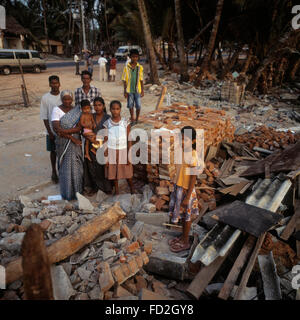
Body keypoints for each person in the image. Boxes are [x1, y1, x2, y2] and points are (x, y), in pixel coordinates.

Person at [168, 126, 200, 253]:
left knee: (187, 217)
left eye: (185, 139)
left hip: (186, 190)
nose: (182, 141)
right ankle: (182, 236)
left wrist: (187, 197)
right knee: (182, 215)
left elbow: (193, 178)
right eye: (181, 138)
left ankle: (186, 241)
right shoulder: (181, 151)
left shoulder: (192, 155)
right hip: (179, 187)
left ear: (192, 141)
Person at [51, 90, 83, 200]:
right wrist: (71, 137)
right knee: (65, 166)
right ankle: (67, 193)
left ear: (72, 99)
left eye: (69, 99)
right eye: (65, 99)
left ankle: (78, 191)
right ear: (61, 99)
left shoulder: (76, 110)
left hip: (75, 142)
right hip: (63, 142)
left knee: (77, 165)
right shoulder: (56, 110)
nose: (67, 101)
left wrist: (65, 131)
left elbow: (79, 128)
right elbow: (56, 128)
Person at [103, 100, 134, 195]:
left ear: (120, 110)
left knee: (127, 171)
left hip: (123, 150)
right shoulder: (107, 123)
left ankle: (132, 189)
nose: (115, 111)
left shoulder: (125, 122)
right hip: (112, 150)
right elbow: (105, 140)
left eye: (117, 109)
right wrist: (106, 156)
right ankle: (117, 191)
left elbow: (129, 139)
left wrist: (129, 154)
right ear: (110, 110)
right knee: (114, 172)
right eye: (113, 109)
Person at [83, 97, 113, 195]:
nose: (97, 107)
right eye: (95, 105)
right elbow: (86, 129)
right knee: (93, 167)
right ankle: (95, 187)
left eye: (99, 105)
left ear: (103, 106)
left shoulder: (108, 118)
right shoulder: (91, 116)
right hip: (92, 144)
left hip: (104, 144)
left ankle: (107, 187)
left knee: (104, 166)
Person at [40, 75, 62, 183]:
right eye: (52, 83)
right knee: (53, 152)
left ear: (59, 84)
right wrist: (50, 132)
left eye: (56, 83)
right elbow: (44, 116)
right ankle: (54, 171)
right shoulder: (45, 98)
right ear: (49, 84)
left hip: (63, 130)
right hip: (51, 131)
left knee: (63, 152)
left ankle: (62, 171)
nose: (54, 85)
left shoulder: (63, 96)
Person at [122, 49, 144, 124]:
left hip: (138, 90)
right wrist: (125, 91)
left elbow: (141, 79)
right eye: (133, 57)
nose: (134, 58)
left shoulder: (140, 67)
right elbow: (124, 80)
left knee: (138, 105)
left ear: (138, 57)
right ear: (130, 57)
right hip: (129, 90)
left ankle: (137, 118)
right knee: (130, 105)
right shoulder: (126, 68)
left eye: (136, 57)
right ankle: (132, 118)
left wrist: (143, 90)